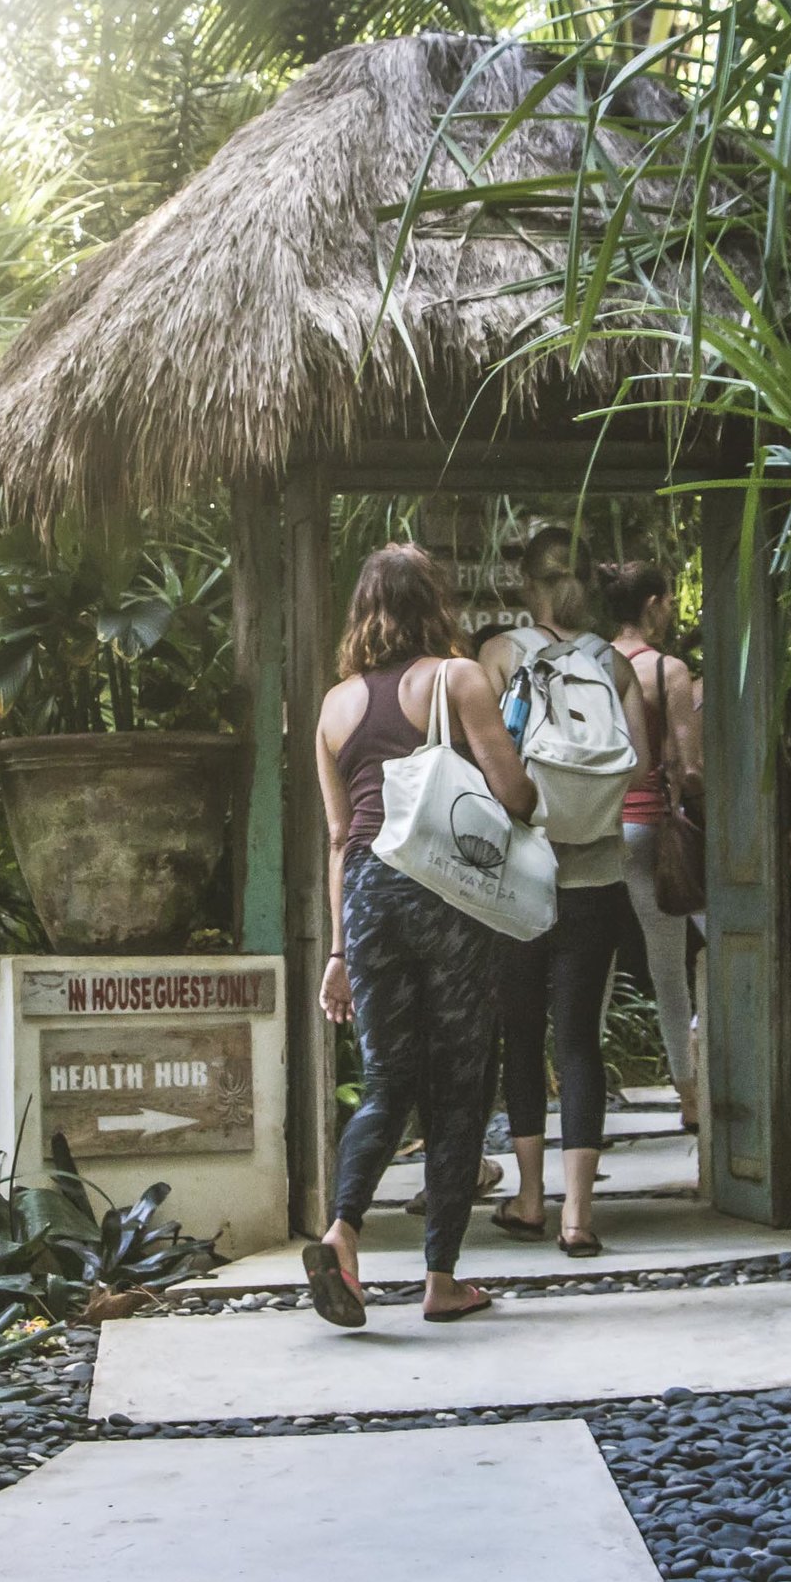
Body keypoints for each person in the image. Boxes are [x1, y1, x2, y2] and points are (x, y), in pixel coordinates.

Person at [307, 543, 537, 1327]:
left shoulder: (335, 707)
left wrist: (338, 952)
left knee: (387, 1081)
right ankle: (441, 1278)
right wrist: (527, 775)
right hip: (444, 890)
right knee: (458, 1082)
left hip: (368, 894)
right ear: (434, 600)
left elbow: (341, 838)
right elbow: (512, 794)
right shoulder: (457, 676)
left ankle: (342, 1229)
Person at [478, 526, 649, 1257]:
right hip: (597, 876)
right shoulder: (614, 663)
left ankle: (528, 1197)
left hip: (521, 876)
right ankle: (580, 1215)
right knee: (580, 1040)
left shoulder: (497, 655)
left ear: (526, 585)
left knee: (522, 1035)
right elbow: (637, 772)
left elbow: (478, 767)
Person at [603, 561, 705, 1129]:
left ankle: (583, 1103)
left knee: (595, 970)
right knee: (669, 972)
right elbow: (689, 768)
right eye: (667, 602)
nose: (670, 612)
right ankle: (690, 1098)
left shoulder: (593, 663)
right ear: (651, 605)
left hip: (595, 835)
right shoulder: (668, 670)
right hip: (649, 830)